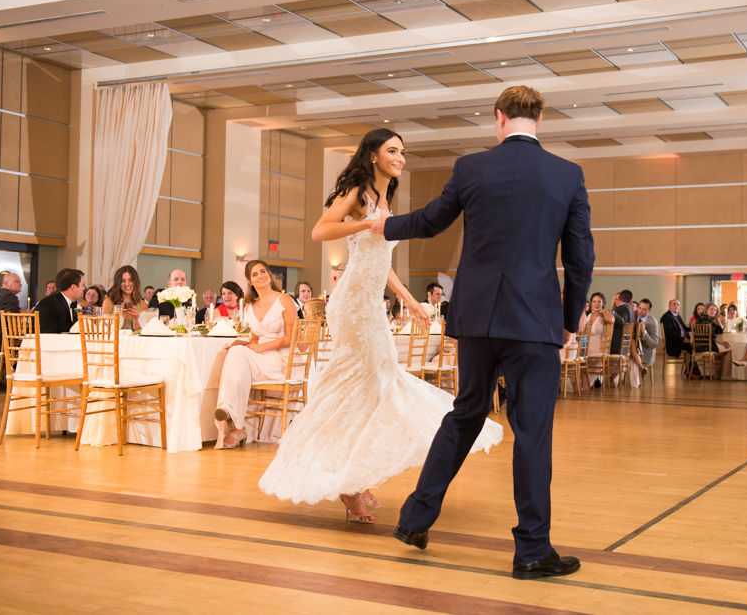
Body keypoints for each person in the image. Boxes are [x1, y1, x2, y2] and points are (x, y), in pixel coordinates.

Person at [370, 86, 593, 580]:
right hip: (534, 323)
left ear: (498, 119)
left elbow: (430, 222)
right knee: (531, 432)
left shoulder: (472, 168)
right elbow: (581, 258)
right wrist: (568, 321)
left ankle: (415, 518)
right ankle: (532, 550)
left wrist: (386, 227)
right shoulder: (567, 174)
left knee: (465, 413)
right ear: (539, 120)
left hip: (475, 320)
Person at [259, 127, 503, 529]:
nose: (400, 158)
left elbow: (380, 261)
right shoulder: (356, 193)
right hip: (352, 303)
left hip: (371, 301)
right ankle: (348, 484)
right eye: (393, 150)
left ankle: (354, 475)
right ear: (373, 155)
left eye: (403, 152)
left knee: (375, 387)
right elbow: (321, 231)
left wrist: (408, 299)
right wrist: (365, 225)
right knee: (366, 384)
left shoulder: (383, 197)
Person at [213, 260, 298, 449]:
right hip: (264, 358)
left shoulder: (284, 299)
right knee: (235, 351)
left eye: (263, 272)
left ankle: (233, 417)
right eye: (255, 274)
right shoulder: (251, 306)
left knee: (238, 355)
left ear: (269, 274)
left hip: (284, 359)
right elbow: (255, 340)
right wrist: (246, 344)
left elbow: (292, 338)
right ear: (249, 281)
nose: (260, 276)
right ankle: (233, 420)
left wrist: (261, 348)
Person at [35, 268, 85, 333]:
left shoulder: (73, 304)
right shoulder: (48, 304)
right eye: (82, 285)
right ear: (73, 287)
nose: (84, 288)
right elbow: (46, 334)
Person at [696, 304, 736, 381]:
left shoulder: (709, 320)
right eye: (711, 309)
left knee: (721, 349)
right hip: (703, 345)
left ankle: (717, 374)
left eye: (715, 310)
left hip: (706, 344)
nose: (713, 311)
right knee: (728, 349)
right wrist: (721, 343)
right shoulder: (703, 318)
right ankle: (725, 374)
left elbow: (720, 330)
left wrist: (717, 318)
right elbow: (710, 334)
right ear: (706, 309)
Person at [579, 292, 610, 387]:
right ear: (591, 303)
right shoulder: (588, 316)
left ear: (603, 303)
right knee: (572, 360)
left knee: (584, 383)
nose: (596, 304)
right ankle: (580, 387)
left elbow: (611, 320)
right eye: (594, 301)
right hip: (585, 349)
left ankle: (584, 387)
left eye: (599, 302)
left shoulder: (605, 316)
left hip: (598, 350)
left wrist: (604, 311)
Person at [102, 266, 147, 331]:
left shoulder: (143, 304)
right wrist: (118, 319)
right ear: (118, 283)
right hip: (115, 340)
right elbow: (104, 329)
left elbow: (143, 332)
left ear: (135, 282)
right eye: (123, 281)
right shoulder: (108, 302)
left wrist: (136, 318)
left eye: (130, 280)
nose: (126, 284)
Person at [661, 298, 695, 374]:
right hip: (674, 343)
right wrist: (682, 339)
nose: (676, 306)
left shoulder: (677, 316)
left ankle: (691, 368)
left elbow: (683, 328)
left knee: (695, 345)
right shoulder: (666, 317)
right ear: (669, 305)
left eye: (678, 304)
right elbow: (669, 332)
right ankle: (692, 369)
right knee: (694, 347)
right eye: (674, 304)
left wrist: (694, 329)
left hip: (680, 341)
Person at [635, 299, 659, 370]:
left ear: (649, 311)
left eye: (644, 309)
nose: (640, 311)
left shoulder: (653, 322)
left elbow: (654, 344)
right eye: (639, 308)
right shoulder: (633, 315)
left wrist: (644, 332)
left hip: (645, 351)